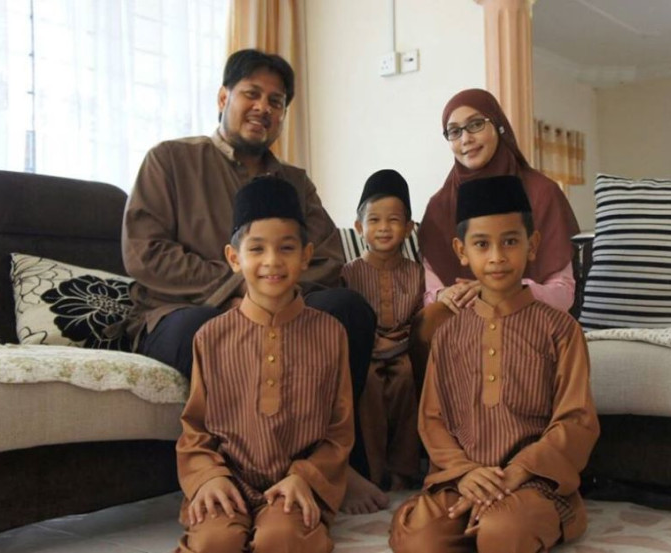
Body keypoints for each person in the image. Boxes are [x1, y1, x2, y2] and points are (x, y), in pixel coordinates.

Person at [121, 48, 384, 513]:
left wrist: (271, 296)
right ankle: (227, 472)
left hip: (281, 310)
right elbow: (146, 253)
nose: (264, 107)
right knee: (201, 328)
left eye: (276, 101)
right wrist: (243, 292)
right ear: (224, 97)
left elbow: (326, 256)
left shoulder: (294, 182)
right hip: (181, 312)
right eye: (252, 94)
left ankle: (331, 466)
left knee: (347, 309)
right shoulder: (170, 160)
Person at [390, 175, 598, 553]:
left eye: (511, 242)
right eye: (482, 244)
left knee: (503, 530)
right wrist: (465, 473)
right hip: (463, 479)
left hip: (533, 480)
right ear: (462, 251)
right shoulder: (449, 334)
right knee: (419, 538)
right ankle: (477, 510)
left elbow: (576, 420)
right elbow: (433, 420)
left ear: (533, 245)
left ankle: (528, 515)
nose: (497, 257)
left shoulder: (560, 329)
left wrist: (519, 471)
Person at [174, 177, 352, 553]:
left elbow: (339, 431)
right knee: (214, 542)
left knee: (281, 538)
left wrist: (306, 477)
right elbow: (195, 428)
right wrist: (208, 476)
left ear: (306, 256)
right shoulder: (211, 336)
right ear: (234, 258)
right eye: (257, 249)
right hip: (229, 482)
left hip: (296, 484)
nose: (272, 261)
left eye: (286, 248)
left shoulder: (331, 333)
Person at [411, 88, 581, 387]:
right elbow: (432, 293)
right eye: (454, 131)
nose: (466, 139)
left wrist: (501, 290)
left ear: (499, 126)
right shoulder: (440, 206)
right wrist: (445, 295)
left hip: (529, 315)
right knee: (428, 324)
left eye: (476, 124)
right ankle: (441, 416)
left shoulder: (542, 193)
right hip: (464, 319)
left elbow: (563, 293)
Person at [340, 169, 422, 503]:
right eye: (374, 220)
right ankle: (372, 473)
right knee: (370, 385)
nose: (384, 228)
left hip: (403, 350)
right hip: (368, 353)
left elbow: (419, 319)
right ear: (359, 228)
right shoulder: (348, 273)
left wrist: (399, 343)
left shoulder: (417, 273)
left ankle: (403, 470)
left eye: (393, 220)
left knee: (406, 378)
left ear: (409, 227)